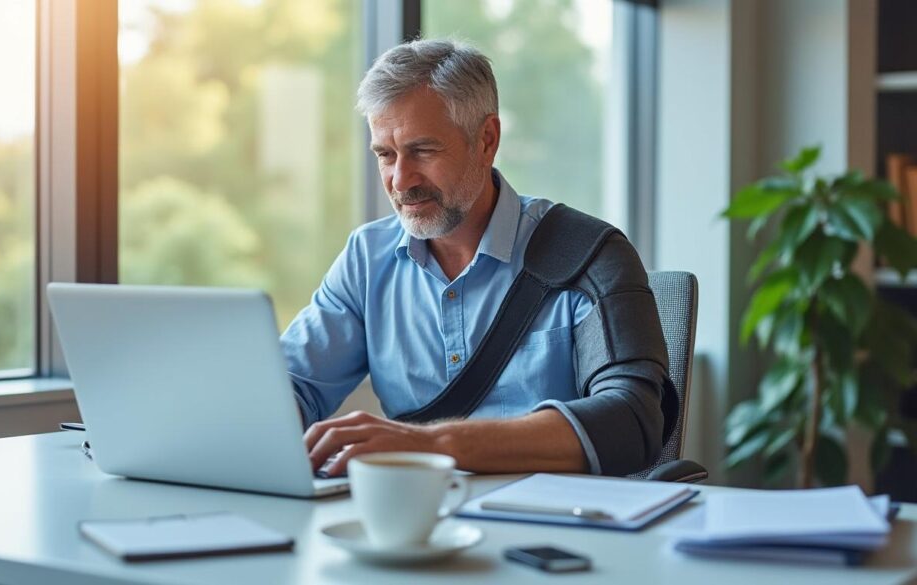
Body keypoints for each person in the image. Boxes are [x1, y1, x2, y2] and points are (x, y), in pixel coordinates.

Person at [281, 39, 671, 478]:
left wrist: (429, 444)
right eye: (385, 155)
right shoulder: (365, 260)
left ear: (487, 140)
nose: (401, 180)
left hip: (552, 527)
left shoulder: (590, 254)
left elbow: (631, 421)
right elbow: (288, 389)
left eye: (423, 151)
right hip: (415, 523)